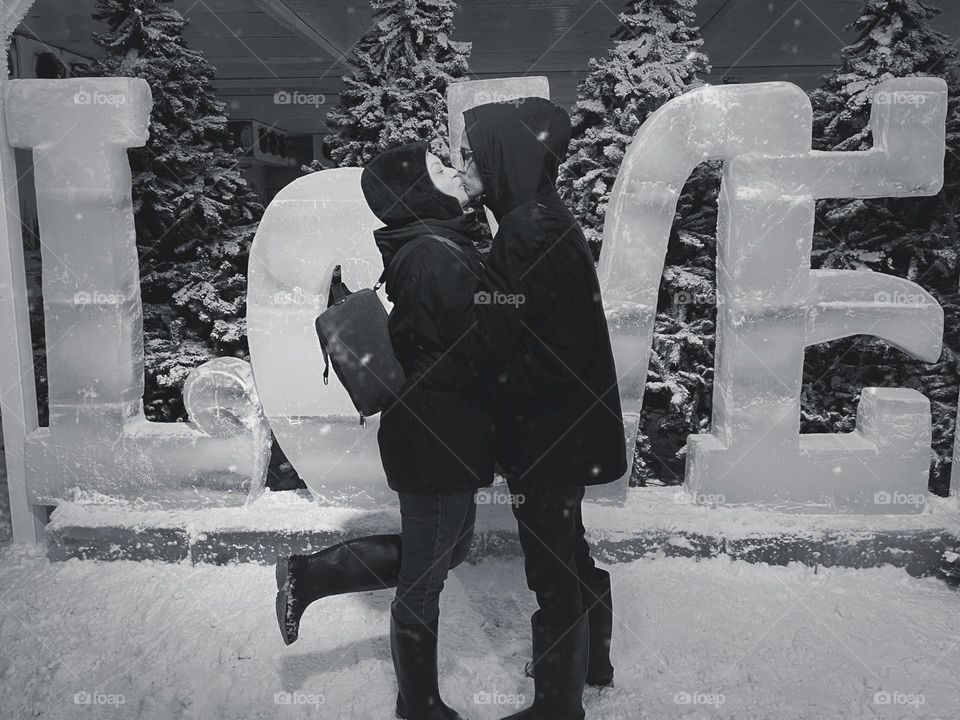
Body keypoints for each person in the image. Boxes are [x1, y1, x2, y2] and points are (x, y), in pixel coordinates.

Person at [275, 140, 494, 720]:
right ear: (417, 193)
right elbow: (461, 354)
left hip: (440, 431)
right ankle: (418, 705)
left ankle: (311, 572)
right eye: (438, 167)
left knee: (446, 554)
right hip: (437, 437)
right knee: (425, 579)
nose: (453, 169)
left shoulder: (437, 243)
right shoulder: (434, 255)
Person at [452, 97, 628, 720]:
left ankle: (558, 707)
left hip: (544, 433)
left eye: (474, 154)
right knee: (570, 549)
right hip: (567, 426)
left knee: (551, 568)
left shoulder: (524, 234)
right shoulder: (546, 219)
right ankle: (591, 663)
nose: (464, 166)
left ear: (507, 158)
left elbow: (493, 344)